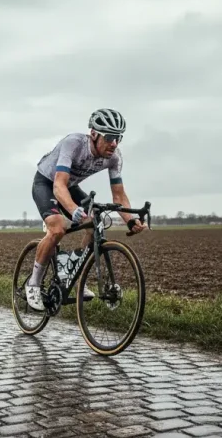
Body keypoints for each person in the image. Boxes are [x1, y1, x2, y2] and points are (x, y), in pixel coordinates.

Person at [24, 107, 147, 311]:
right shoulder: (73, 144)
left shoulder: (114, 157)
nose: (114, 143)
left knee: (95, 225)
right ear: (94, 133)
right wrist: (72, 210)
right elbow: (58, 186)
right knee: (57, 228)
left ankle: (75, 274)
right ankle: (33, 284)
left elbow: (119, 195)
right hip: (46, 183)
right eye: (109, 137)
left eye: (118, 138)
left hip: (70, 187)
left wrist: (130, 220)